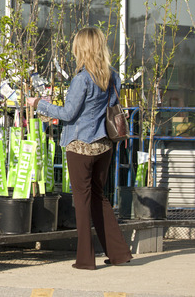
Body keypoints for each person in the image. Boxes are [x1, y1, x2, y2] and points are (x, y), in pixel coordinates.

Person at [26, 27, 132, 270]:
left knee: (82, 202)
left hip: (81, 147)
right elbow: (111, 107)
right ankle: (119, 253)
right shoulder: (112, 76)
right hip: (104, 146)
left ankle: (85, 259)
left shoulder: (82, 79)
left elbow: (68, 114)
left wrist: (40, 104)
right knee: (99, 198)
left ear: (81, 48)